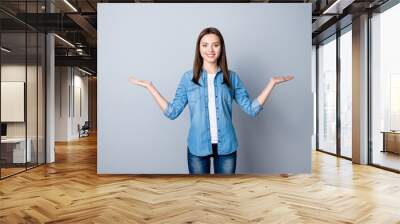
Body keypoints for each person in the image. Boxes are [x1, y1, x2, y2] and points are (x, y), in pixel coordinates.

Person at [128, 27, 293, 175]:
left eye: (215, 44)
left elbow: (251, 109)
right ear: (199, 49)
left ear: (221, 48)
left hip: (227, 147)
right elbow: (172, 112)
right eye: (205, 45)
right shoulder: (188, 78)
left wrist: (271, 83)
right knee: (201, 197)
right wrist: (150, 87)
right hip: (197, 147)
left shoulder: (232, 77)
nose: (210, 50)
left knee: (224, 196)